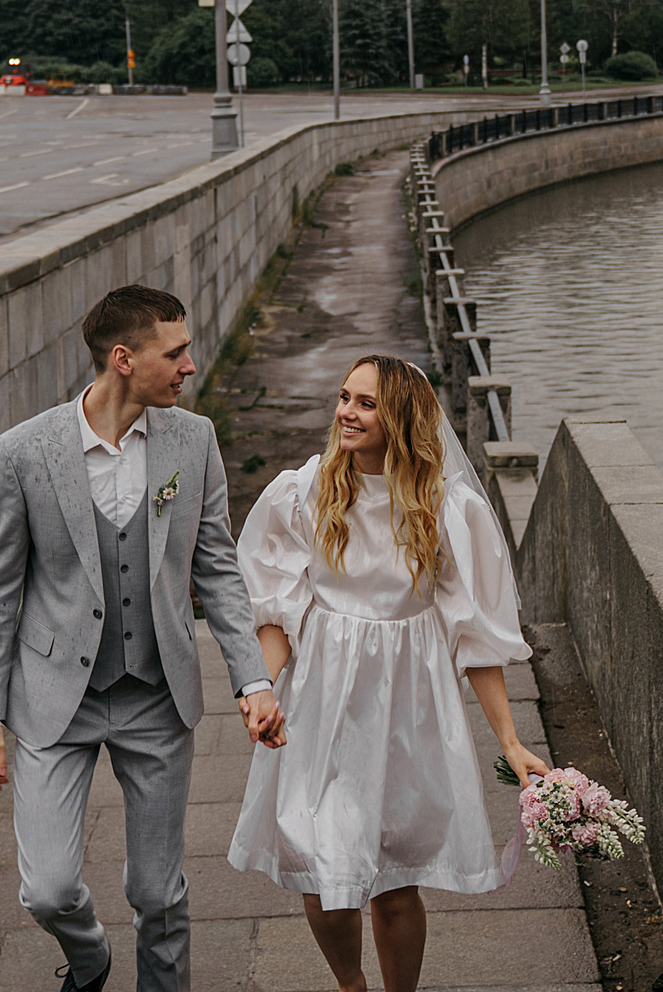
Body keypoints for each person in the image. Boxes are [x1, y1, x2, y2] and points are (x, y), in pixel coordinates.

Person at [0, 285, 286, 992]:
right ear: (123, 358)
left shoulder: (192, 440)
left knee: (158, 893)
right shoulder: (23, 452)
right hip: (54, 698)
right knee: (47, 889)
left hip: (156, 692)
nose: (189, 365)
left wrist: (253, 680)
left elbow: (218, 567)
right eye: (174, 352)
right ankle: (88, 957)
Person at [227, 355, 548, 992]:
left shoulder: (448, 508)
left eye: (367, 403)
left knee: (395, 884)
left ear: (400, 417)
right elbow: (277, 606)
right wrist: (260, 689)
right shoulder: (306, 491)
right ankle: (351, 985)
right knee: (320, 868)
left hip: (407, 703)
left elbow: (475, 636)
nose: (347, 411)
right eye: (345, 397)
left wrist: (509, 740)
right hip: (323, 697)